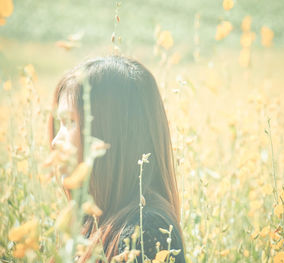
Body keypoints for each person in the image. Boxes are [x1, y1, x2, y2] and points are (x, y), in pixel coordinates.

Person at [48, 55, 186, 262]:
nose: (55, 141)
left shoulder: (145, 230)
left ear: (108, 133)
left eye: (70, 122)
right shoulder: (93, 219)